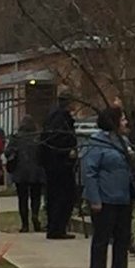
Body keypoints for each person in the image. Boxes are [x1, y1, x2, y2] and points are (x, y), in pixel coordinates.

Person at [81, 104, 135, 268]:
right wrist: (94, 199)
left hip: (124, 197)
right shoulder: (97, 143)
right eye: (122, 119)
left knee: (122, 239)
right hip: (105, 199)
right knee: (102, 239)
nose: (126, 122)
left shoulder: (125, 142)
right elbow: (89, 172)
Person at [41, 92, 79, 239]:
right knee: (64, 195)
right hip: (60, 164)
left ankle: (54, 226)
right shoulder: (61, 118)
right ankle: (57, 228)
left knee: (54, 195)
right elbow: (59, 140)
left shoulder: (53, 116)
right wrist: (69, 151)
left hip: (52, 164)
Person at [4, 116, 46, 232]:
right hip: (36, 171)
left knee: (22, 199)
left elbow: (8, 152)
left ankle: (25, 224)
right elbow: (44, 153)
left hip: (20, 171)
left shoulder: (16, 138)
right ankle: (35, 215)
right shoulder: (38, 137)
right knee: (36, 196)